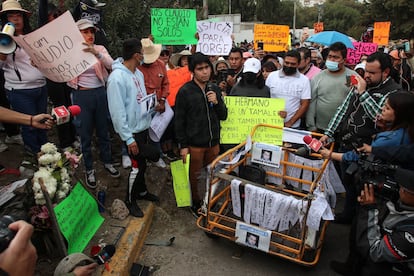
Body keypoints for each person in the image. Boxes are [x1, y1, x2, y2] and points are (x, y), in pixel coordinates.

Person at [320, 52, 401, 224]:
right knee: (348, 184)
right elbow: (343, 109)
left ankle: (363, 223)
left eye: (372, 73)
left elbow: (379, 118)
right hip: (346, 143)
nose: (367, 76)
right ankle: (349, 216)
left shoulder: (393, 93)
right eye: (366, 72)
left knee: (364, 189)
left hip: (368, 151)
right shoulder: (361, 83)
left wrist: (363, 92)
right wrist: (328, 133)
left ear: (385, 72)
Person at [107, 38, 160, 217]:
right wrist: (128, 138)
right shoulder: (116, 78)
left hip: (142, 127)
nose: (145, 57)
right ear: (137, 56)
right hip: (131, 132)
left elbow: (140, 101)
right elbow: (117, 112)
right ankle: (130, 200)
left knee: (143, 165)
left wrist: (152, 105)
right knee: (137, 166)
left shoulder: (138, 74)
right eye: (143, 54)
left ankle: (142, 191)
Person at [330, 168, 414, 276]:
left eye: (403, 188)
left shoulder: (409, 234)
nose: (399, 190)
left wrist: (369, 209)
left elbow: (375, 251)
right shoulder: (405, 207)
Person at [68, 19, 120, 189]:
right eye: (85, 32)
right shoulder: (70, 51)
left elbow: (112, 65)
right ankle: (89, 168)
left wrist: (95, 53)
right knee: (85, 132)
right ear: (78, 34)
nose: (90, 35)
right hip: (82, 95)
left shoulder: (99, 49)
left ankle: (107, 161)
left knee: (103, 129)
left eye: (91, 32)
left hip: (99, 93)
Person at [174, 52, 228, 214]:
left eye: (207, 68)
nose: (205, 72)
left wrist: (217, 102)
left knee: (212, 175)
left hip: (214, 144)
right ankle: (196, 204)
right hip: (194, 146)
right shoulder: (185, 91)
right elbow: (179, 121)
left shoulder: (215, 89)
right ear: (193, 71)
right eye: (200, 69)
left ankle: (209, 201)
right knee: (194, 177)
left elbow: (223, 115)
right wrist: (183, 146)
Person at [0, 0, 48, 155]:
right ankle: (35, 156)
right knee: (29, 126)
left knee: (43, 122)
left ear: (23, 18)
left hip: (40, 87)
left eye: (18, 15)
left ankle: (47, 153)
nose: (15, 19)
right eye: (11, 16)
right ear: (5, 20)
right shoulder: (3, 40)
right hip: (20, 91)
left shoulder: (32, 36)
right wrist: (5, 45)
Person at [320, 91, 414, 162]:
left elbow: (361, 155)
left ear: (400, 113)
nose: (382, 109)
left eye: (387, 108)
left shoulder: (390, 139)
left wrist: (331, 155)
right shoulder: (403, 130)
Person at [306, 42, 356, 133]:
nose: (332, 60)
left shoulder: (351, 77)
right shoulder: (318, 77)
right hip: (321, 129)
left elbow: (355, 98)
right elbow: (311, 103)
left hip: (344, 129)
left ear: (344, 60)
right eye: (330, 56)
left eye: (336, 57)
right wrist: (311, 126)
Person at [137, 38, 170, 169]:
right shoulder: (136, 67)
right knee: (138, 133)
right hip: (140, 106)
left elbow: (166, 84)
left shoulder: (161, 64)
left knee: (156, 131)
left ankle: (157, 156)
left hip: (158, 105)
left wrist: (162, 100)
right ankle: (131, 156)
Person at [265, 50, 311, 129]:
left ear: (298, 64)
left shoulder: (304, 80)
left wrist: (290, 122)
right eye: (287, 63)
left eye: (293, 64)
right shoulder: (272, 76)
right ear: (283, 62)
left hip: (293, 126)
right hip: (271, 124)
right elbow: (265, 98)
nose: (289, 65)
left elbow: (305, 104)